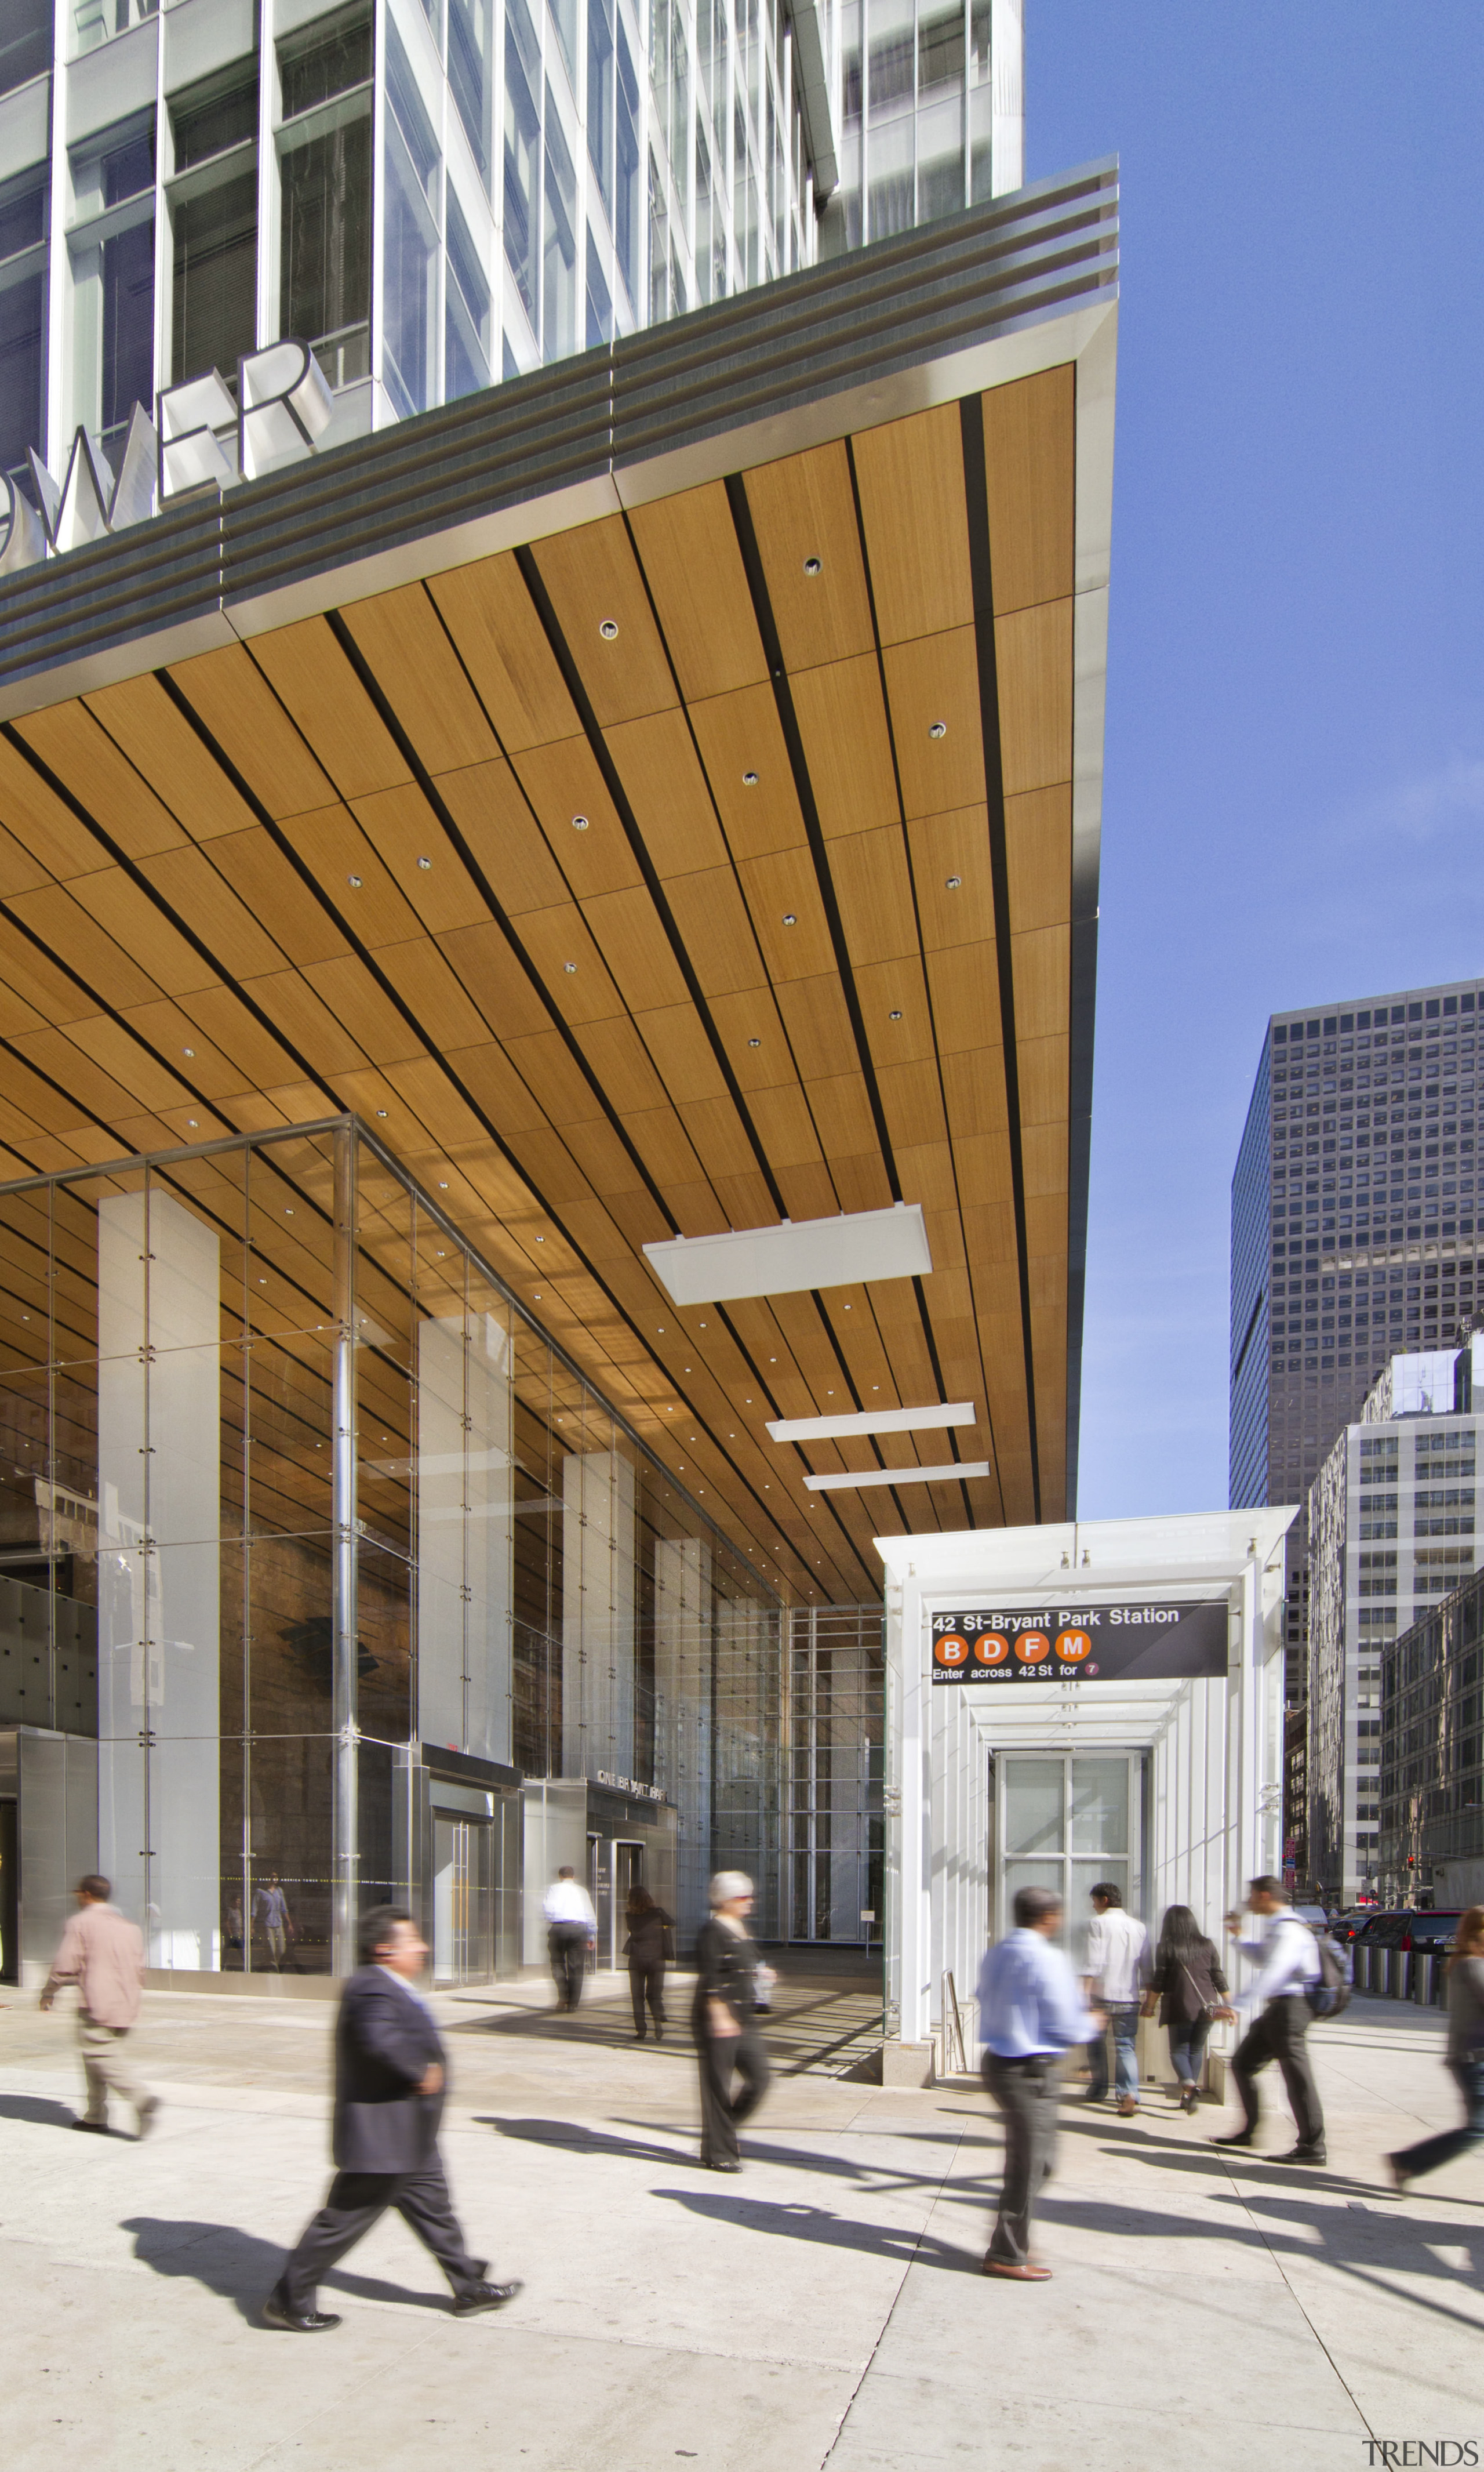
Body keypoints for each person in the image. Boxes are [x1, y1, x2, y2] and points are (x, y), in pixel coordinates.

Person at [264, 1907, 519, 2332]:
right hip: (382, 2137)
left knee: (437, 2213)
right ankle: (289, 2300)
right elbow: (377, 2038)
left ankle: (469, 2285)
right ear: (385, 1949)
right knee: (340, 2222)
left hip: (409, 2136)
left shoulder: (389, 1985)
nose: (423, 1946)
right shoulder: (371, 1987)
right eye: (412, 1940)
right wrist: (420, 2070)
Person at [978, 1886, 1101, 2281]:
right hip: (1029, 2068)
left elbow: (985, 1996)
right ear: (1048, 1917)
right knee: (1032, 2164)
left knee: (1036, 2161)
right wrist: (1091, 2024)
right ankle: (1007, 2253)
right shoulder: (1047, 1958)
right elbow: (1066, 2021)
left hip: (999, 2062)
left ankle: (1013, 2235)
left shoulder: (997, 1952)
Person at [1214, 1874, 1326, 2164]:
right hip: (1279, 2010)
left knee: (1298, 2080)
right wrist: (1238, 1936)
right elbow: (1264, 1959)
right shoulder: (1279, 1928)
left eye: (1252, 1896)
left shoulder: (1289, 1930)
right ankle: (1249, 2132)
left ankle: (1313, 2147)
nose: (1249, 1901)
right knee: (1243, 2063)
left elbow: (1273, 1972)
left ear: (1264, 1896)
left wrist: (1237, 2006)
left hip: (1292, 2009)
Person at [40, 1873, 159, 2139]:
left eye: (78, 1894)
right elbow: (140, 1970)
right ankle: (95, 2116)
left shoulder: (81, 1923)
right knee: (96, 2058)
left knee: (100, 2056)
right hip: (126, 2003)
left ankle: (141, 2100)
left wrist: (48, 1992)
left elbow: (63, 1965)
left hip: (96, 2004)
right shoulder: (129, 1927)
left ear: (86, 1895)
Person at [1388, 1905, 1484, 2190]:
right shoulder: (1472, 1966)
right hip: (1474, 2061)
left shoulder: (1466, 1963)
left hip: (1471, 2058)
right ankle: (1409, 2161)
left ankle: (1409, 2161)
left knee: (1477, 2127)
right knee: (1477, 2128)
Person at [692, 1870, 772, 2171]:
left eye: (750, 1895)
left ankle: (722, 2133)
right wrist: (720, 2015)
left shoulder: (740, 1927)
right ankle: (719, 2153)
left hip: (744, 2017)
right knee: (717, 2086)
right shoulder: (712, 1931)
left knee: (760, 2078)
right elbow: (711, 1977)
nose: (749, 1901)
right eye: (742, 1896)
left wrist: (762, 1975)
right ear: (724, 1899)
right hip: (718, 2018)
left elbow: (749, 1963)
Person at [1141, 1904, 1235, 2114]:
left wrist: (1149, 2006)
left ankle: (1190, 2087)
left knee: (1179, 2050)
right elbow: (1218, 1977)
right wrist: (1230, 2005)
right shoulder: (1207, 1945)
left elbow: (1160, 1981)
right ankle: (1188, 2094)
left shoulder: (1166, 1947)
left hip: (1180, 2006)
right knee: (1196, 2050)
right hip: (1208, 2008)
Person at [1082, 1882, 1150, 2116]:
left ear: (1105, 1900)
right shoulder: (1139, 1927)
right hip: (1129, 1997)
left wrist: (1085, 1995)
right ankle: (1129, 2094)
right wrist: (1150, 1999)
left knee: (1096, 2044)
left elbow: (1094, 1961)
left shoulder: (1097, 1923)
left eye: (1095, 1901)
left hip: (1101, 1995)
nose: (1093, 1906)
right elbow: (1146, 1966)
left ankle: (1099, 2088)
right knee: (1125, 2047)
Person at [622, 1883, 674, 2042]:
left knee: (637, 1996)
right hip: (656, 1959)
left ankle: (641, 2031)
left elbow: (631, 1930)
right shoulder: (658, 1913)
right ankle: (658, 2025)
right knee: (654, 1994)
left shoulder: (629, 1915)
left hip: (637, 1958)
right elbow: (672, 1922)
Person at [543, 1865, 597, 2013]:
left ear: (560, 1876)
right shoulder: (582, 1891)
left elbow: (547, 1908)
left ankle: (563, 1995)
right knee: (577, 1967)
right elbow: (590, 1914)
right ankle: (573, 2003)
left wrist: (552, 1920)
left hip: (559, 1928)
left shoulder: (553, 1889)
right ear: (573, 1877)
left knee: (557, 1963)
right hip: (578, 1929)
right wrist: (591, 1935)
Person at [254, 1874, 293, 1970]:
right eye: (273, 1876)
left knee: (281, 1949)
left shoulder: (279, 1891)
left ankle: (275, 1967)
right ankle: (273, 1969)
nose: (275, 1878)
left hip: (278, 1923)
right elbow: (254, 1909)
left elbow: (284, 1909)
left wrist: (289, 1924)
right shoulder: (261, 1892)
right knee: (271, 1950)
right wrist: (252, 1925)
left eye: (276, 1876)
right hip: (268, 1924)